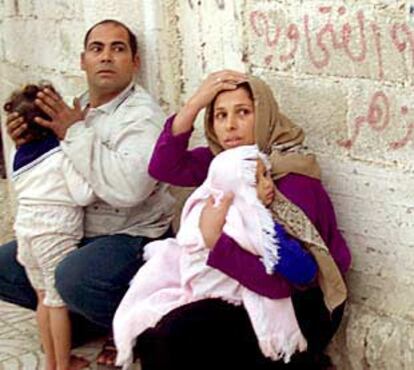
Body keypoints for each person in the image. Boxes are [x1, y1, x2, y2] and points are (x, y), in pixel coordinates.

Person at [141, 71, 351, 370]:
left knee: (177, 335)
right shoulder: (224, 166)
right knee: (151, 330)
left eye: (243, 112)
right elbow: (163, 166)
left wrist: (217, 242)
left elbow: (293, 280)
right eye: (219, 115)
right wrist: (194, 105)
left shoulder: (292, 180)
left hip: (301, 307)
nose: (230, 125)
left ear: (263, 115)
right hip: (242, 288)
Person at [0, 19, 175, 367]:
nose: (106, 57)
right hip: (78, 232)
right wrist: (26, 142)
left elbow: (130, 189)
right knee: (9, 264)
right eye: (97, 49)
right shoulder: (75, 106)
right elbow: (46, 168)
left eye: (118, 48)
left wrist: (74, 133)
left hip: (129, 235)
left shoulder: (143, 116)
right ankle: (77, 317)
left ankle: (141, 329)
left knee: (72, 276)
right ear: (83, 60)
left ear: (134, 63)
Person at [113, 145, 318, 368]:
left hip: (248, 304)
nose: (268, 184)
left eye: (267, 174)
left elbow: (299, 274)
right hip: (208, 297)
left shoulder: (263, 221)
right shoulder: (209, 215)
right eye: (255, 180)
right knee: (157, 333)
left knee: (180, 332)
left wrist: (217, 242)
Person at [4, 82, 95, 370]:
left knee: (42, 297)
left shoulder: (18, 157)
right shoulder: (62, 154)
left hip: (26, 233)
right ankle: (62, 363)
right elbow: (84, 194)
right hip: (54, 235)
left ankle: (50, 362)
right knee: (57, 303)